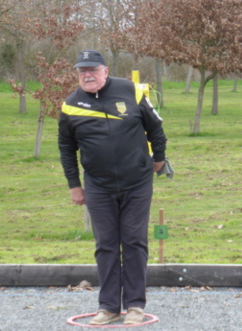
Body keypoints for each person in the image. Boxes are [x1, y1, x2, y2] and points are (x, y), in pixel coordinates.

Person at [58, 50, 167, 325]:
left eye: (92, 70)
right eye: (82, 71)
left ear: (105, 71)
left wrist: (159, 158)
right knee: (105, 245)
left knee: (134, 241)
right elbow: (66, 148)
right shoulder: (71, 105)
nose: (87, 75)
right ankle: (107, 307)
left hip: (137, 182)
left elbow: (156, 127)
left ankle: (134, 306)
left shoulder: (131, 91)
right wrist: (74, 185)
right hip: (98, 185)